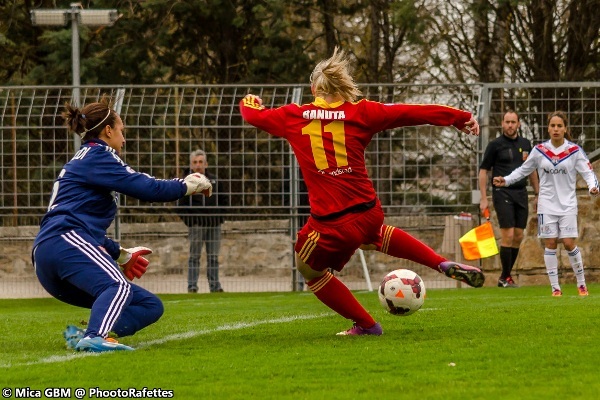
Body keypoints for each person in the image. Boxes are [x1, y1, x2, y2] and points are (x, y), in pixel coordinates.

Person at [239, 47, 485, 336]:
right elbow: (409, 111)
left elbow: (253, 116)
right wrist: (458, 117)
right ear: (341, 89)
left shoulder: (293, 115)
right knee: (372, 236)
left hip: (330, 223)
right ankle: (440, 262)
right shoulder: (362, 111)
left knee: (307, 268)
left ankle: (367, 325)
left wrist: (250, 101)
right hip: (368, 210)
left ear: (315, 89)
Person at [32, 97, 212, 352]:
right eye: (122, 131)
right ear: (108, 130)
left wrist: (120, 253)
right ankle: (94, 337)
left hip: (53, 250)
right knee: (115, 285)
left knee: (150, 305)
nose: (124, 139)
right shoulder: (99, 154)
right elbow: (148, 188)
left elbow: (83, 224)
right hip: (64, 241)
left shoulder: (85, 158)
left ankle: (90, 332)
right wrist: (189, 185)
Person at [493, 111, 598, 297]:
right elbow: (524, 170)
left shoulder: (574, 151)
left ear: (565, 129)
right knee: (550, 243)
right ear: (548, 128)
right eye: (552, 126)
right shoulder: (540, 150)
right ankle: (555, 288)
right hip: (547, 204)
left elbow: (588, 172)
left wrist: (592, 186)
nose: (556, 129)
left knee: (568, 243)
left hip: (567, 204)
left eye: (559, 126)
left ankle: (581, 284)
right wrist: (506, 180)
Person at [479, 110, 539, 288]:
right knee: (508, 234)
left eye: (513, 122)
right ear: (502, 124)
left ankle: (505, 276)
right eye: (507, 122)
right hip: (502, 193)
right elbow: (483, 171)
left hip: (521, 193)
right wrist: (483, 197)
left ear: (518, 124)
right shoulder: (495, 145)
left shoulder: (526, 144)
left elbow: (531, 171)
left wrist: (538, 194)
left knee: (519, 235)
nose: (510, 125)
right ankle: (505, 277)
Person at [177, 149, 227, 293]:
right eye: (195, 162)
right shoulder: (185, 182)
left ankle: (215, 286)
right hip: (197, 225)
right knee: (194, 256)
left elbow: (225, 201)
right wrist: (191, 222)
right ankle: (192, 286)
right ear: (191, 165)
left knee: (213, 257)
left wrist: (219, 219)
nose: (198, 165)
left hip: (214, 225)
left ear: (206, 164)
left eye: (201, 162)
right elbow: (180, 206)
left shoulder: (215, 181)